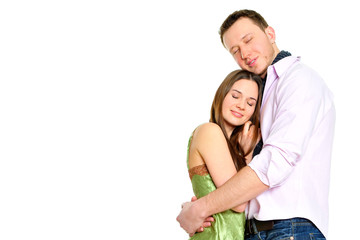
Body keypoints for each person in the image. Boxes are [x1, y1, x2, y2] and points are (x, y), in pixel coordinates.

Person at [177, 9, 335, 240]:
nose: (245, 53)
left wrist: (201, 208)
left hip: (288, 228)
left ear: (270, 33)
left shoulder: (298, 80)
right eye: (235, 51)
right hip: (255, 231)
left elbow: (277, 160)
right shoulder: (265, 92)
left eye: (248, 40)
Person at [186, 69, 263, 239]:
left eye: (250, 103)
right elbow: (240, 202)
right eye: (235, 96)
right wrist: (248, 154)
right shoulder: (209, 131)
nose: (241, 105)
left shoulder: (233, 148)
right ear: (222, 94)